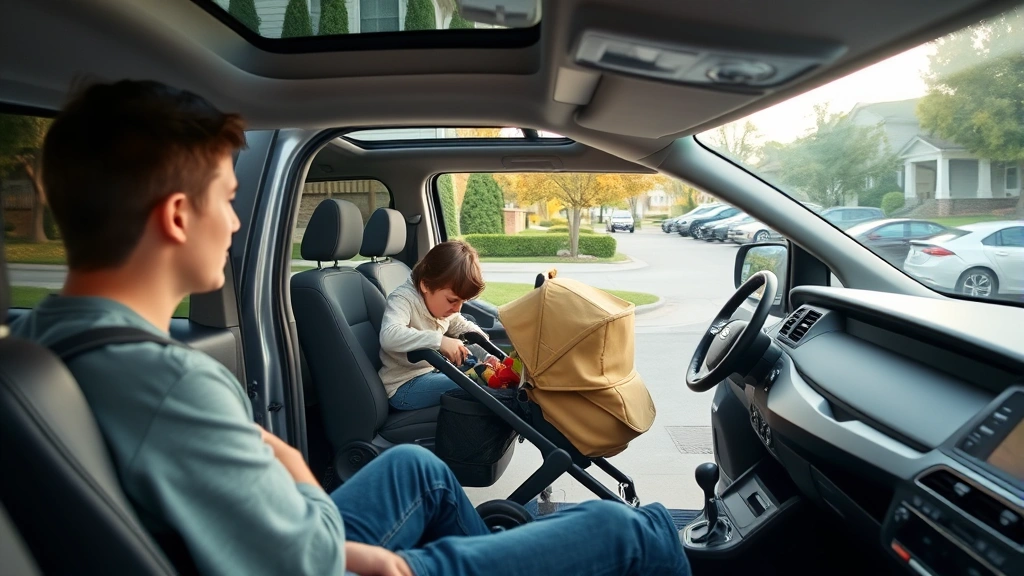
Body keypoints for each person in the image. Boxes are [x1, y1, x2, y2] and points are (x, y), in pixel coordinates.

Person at [10, 79, 690, 576]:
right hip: (305, 559)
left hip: (272, 541)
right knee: (621, 530)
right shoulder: (170, 382)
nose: (238, 222)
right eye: (227, 198)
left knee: (416, 467)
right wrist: (299, 469)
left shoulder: (42, 338)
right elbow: (302, 563)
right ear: (178, 217)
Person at [379, 240, 493, 410]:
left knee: (483, 376)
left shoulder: (439, 304)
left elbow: (461, 325)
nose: (457, 308)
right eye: (452, 300)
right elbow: (389, 336)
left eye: (463, 301)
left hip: (432, 372)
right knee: (475, 384)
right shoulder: (402, 299)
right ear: (425, 285)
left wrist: (487, 352)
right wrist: (439, 341)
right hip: (403, 387)